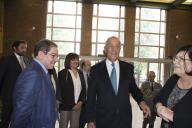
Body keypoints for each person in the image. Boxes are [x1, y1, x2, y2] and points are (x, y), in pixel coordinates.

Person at [86, 36, 151, 128]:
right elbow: (91, 96)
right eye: (110, 46)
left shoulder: (128, 68)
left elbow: (134, 89)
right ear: (105, 49)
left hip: (124, 118)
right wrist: (90, 120)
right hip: (103, 119)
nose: (114, 49)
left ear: (120, 49)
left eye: (117, 46)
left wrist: (142, 103)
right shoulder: (95, 70)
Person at [10, 39, 58, 128]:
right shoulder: (33, 74)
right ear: (40, 54)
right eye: (53, 56)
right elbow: (22, 111)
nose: (56, 59)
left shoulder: (42, 72)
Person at [154, 45, 192, 128]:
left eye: (181, 59)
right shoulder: (173, 79)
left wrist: (171, 116)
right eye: (176, 58)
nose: (175, 62)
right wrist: (159, 107)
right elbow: (158, 98)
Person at [0, 40, 29, 128]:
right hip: (8, 95)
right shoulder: (7, 59)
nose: (24, 50)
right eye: (22, 48)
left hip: (22, 97)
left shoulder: (26, 60)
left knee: (17, 118)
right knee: (6, 118)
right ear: (15, 48)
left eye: (25, 48)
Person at [57, 53, 86, 128]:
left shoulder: (80, 73)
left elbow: (84, 89)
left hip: (78, 105)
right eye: (73, 60)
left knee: (75, 126)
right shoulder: (62, 73)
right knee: (63, 126)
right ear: (68, 61)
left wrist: (81, 102)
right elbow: (62, 91)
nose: (76, 61)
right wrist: (72, 105)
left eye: (77, 59)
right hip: (65, 106)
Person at [79, 59, 92, 128]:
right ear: (83, 66)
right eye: (88, 65)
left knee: (91, 122)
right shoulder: (79, 74)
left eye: (90, 65)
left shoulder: (93, 74)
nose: (90, 66)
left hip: (92, 103)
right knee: (81, 122)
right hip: (82, 102)